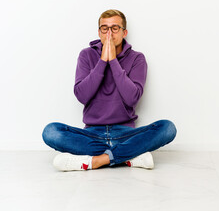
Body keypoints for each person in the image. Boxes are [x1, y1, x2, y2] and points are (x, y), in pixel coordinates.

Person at [42, 9, 177, 171]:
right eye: (105, 28)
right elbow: (82, 95)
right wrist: (102, 62)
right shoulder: (86, 55)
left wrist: (113, 60)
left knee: (167, 128)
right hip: (92, 134)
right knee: (51, 131)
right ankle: (129, 156)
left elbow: (132, 98)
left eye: (115, 28)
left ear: (124, 32)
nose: (109, 33)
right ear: (99, 32)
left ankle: (97, 160)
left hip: (125, 134)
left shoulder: (137, 58)